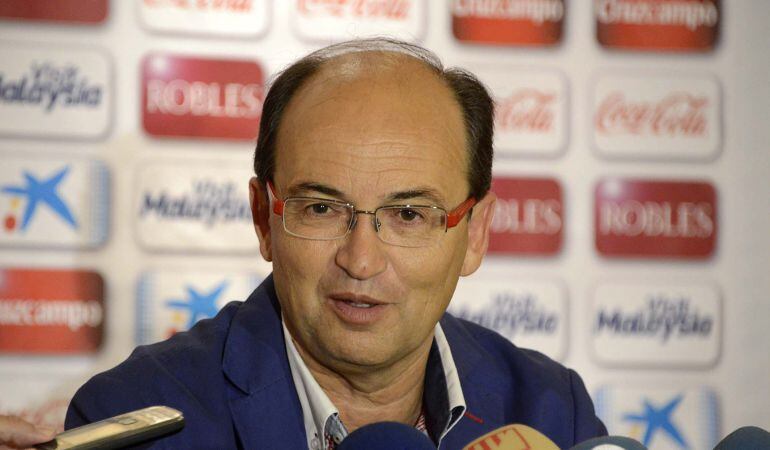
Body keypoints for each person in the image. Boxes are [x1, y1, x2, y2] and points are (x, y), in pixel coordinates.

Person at [65, 38, 607, 449]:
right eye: (321, 208)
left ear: (476, 234)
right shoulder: (132, 417)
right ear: (263, 218)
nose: (361, 260)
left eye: (410, 215)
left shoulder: (554, 412)